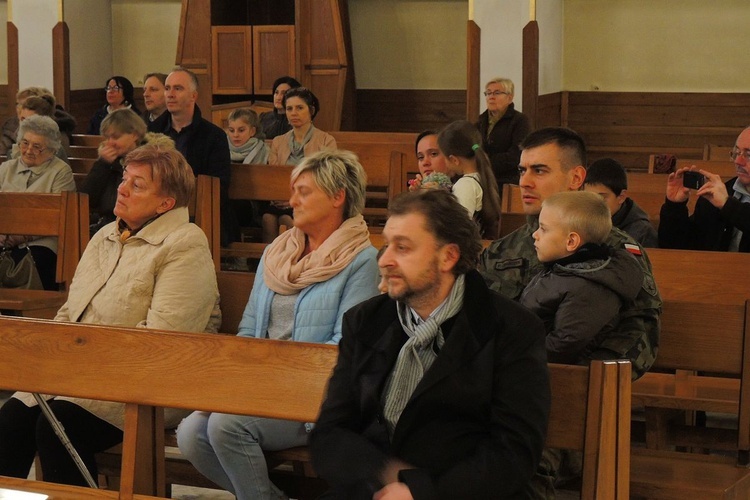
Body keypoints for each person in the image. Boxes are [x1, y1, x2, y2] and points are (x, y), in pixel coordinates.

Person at [0, 143, 221, 486]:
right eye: (124, 178)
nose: (122, 188)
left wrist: (82, 367)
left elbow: (163, 341)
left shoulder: (185, 244)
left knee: (59, 426)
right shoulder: (106, 234)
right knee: (11, 420)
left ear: (166, 203)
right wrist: (49, 358)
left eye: (137, 185)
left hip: (148, 382)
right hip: (79, 374)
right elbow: (71, 310)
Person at [309, 189, 550, 499]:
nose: (385, 260)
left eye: (403, 248)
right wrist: (383, 476)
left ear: (448, 256)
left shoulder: (510, 328)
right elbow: (330, 432)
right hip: (375, 489)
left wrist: (421, 491)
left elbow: (514, 451)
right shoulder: (366, 321)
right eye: (386, 246)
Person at [176, 149, 379, 500]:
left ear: (337, 197)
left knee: (227, 427)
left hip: (318, 394)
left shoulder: (363, 260)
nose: (291, 201)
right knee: (191, 432)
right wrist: (248, 379)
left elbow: (345, 344)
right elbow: (249, 328)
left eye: (303, 191)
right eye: (293, 191)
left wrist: (278, 380)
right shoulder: (278, 253)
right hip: (261, 383)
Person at [478, 127, 660, 379]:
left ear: (576, 178)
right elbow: (480, 320)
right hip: (505, 380)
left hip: (580, 386)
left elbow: (640, 329)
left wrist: (579, 379)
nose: (524, 182)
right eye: (522, 170)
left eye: (539, 170)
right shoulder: (502, 250)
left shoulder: (614, 250)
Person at [520, 191, 643, 364]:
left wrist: (514, 355)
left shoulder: (589, 286)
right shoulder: (563, 270)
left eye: (543, 228)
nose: (535, 234)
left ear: (571, 242)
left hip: (558, 375)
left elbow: (564, 344)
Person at [148, 67, 232, 243]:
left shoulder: (213, 136)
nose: (170, 94)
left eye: (178, 88)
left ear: (193, 96)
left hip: (199, 211)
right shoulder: (150, 132)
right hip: (155, 209)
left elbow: (218, 184)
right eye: (167, 88)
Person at [0, 115, 76, 290]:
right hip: (4, 238)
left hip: (42, 241)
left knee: (33, 259)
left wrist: (18, 236)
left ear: (51, 150)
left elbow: (59, 217)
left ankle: (34, 310)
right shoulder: (6, 169)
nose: (28, 150)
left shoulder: (60, 172)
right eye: (25, 143)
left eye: (37, 147)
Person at [658, 126, 750, 251]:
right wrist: (675, 207)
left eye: (748, 155)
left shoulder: (724, 200)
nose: (738, 161)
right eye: (737, 153)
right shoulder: (716, 197)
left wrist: (728, 205)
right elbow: (678, 248)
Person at [264, 87, 336, 242]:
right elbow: (273, 175)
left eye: (299, 108)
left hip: (312, 199)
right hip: (281, 198)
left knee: (286, 219)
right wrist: (283, 196)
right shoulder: (278, 141)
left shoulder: (326, 140)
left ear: (311, 110)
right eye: (289, 108)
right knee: (268, 218)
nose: (293, 113)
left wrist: (295, 198)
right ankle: (270, 263)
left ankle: (298, 260)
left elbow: (326, 177)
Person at [79, 108, 150, 234]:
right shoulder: (108, 163)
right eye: (107, 137)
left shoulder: (150, 162)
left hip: (140, 228)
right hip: (107, 227)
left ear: (134, 135)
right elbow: (84, 200)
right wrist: (102, 164)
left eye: (116, 137)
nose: (110, 143)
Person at [438, 120, 501, 239]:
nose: (445, 163)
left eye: (445, 158)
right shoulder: (481, 177)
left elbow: (459, 228)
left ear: (454, 160)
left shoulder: (466, 185)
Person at [583, 157, 658, 248]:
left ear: (621, 197)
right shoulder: (580, 223)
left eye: (601, 198)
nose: (594, 205)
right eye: (589, 197)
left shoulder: (643, 232)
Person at [476, 77, 532, 188]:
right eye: (488, 93)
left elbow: (517, 154)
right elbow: (474, 145)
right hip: (483, 176)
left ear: (509, 98)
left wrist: (486, 162)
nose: (491, 97)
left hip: (508, 179)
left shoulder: (520, 121)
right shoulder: (480, 121)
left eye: (497, 93)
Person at [0, 87, 76, 156]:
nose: (19, 109)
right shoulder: (12, 126)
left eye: (25, 105)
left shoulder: (56, 135)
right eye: (18, 104)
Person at [11, 95, 69, 162]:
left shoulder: (55, 144)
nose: (24, 124)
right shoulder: (17, 138)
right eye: (22, 119)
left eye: (30, 121)